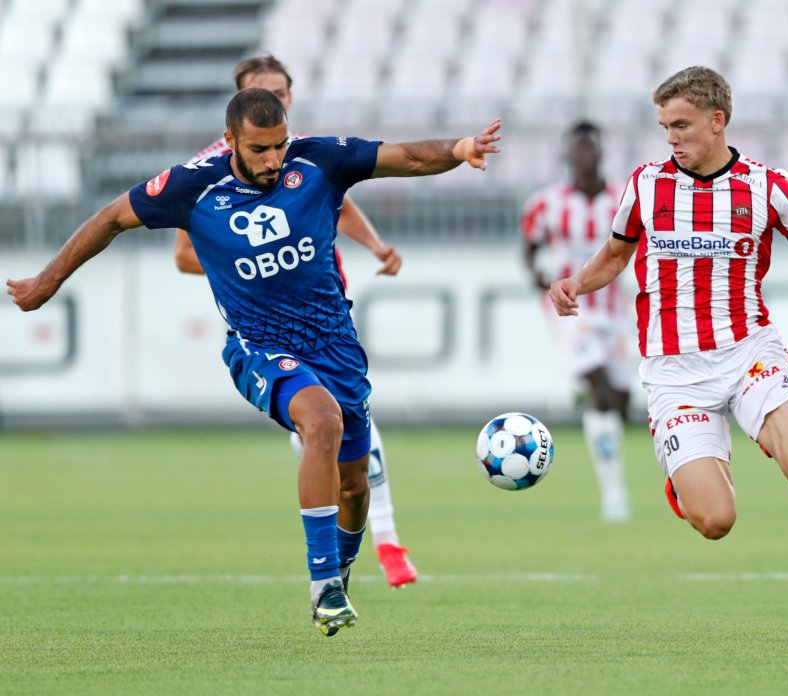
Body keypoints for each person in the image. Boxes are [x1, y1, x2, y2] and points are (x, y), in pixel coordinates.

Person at [7, 87, 502, 636]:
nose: (273, 160)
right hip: (258, 346)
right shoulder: (194, 186)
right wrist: (46, 281)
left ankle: (338, 570)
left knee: (355, 486)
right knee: (321, 421)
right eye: (260, 149)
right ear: (232, 143)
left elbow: (406, 157)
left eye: (279, 146)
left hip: (335, 346)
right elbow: (111, 218)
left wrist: (457, 148)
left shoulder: (318, 159)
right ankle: (324, 587)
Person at [548, 66, 788, 648]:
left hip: (748, 351)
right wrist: (576, 284)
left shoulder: (767, 185)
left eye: (681, 125)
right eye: (663, 126)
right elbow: (614, 254)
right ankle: (689, 481)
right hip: (675, 373)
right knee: (715, 523)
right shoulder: (645, 186)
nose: (671, 137)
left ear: (717, 120)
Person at [174, 55, 416, 589]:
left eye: (281, 92)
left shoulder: (303, 157)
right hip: (264, 329)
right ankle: (373, 550)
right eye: (262, 92)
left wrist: (376, 246)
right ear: (237, 109)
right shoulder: (203, 176)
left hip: (330, 323)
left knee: (351, 451)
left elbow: (344, 203)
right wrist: (241, 260)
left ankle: (365, 548)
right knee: (326, 429)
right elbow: (183, 254)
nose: (274, 101)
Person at [521, 121, 633, 522]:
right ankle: (614, 495)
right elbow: (530, 250)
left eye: (591, 147)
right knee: (601, 389)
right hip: (570, 310)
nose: (585, 153)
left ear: (601, 151)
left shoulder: (623, 198)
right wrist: (540, 280)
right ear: (568, 154)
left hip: (617, 312)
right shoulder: (546, 203)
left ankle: (590, 412)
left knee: (621, 402)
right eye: (578, 147)